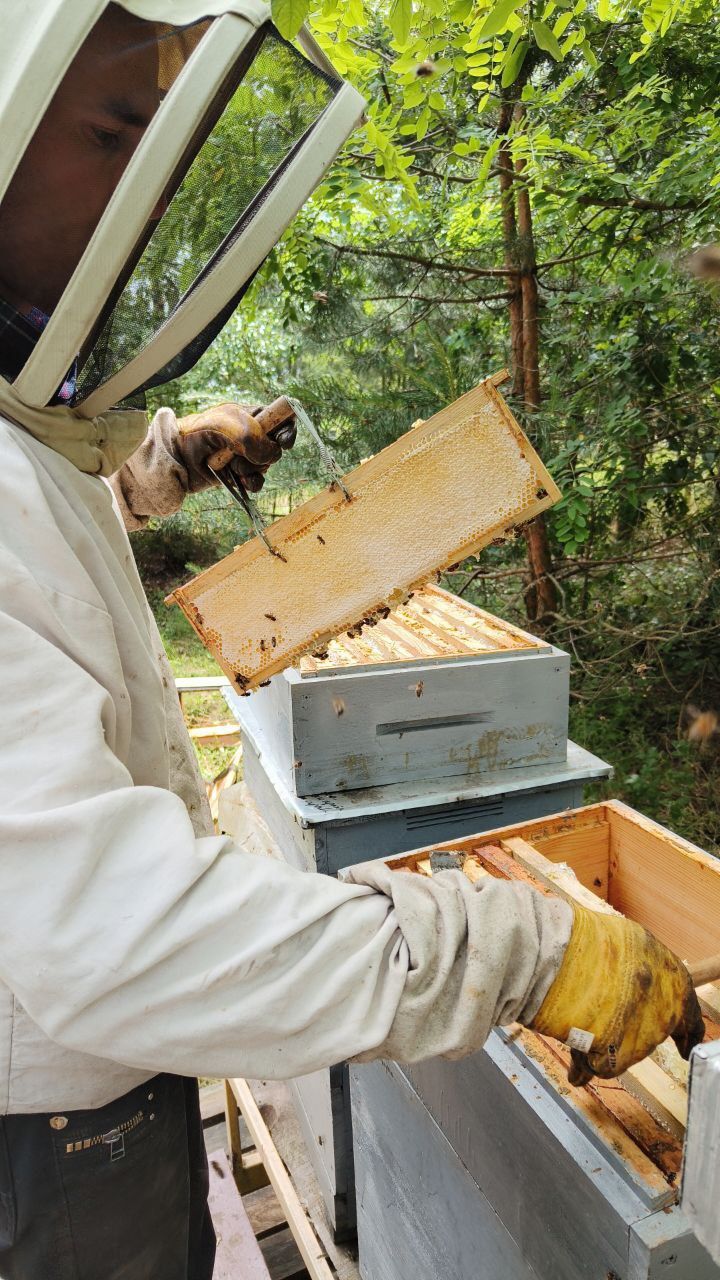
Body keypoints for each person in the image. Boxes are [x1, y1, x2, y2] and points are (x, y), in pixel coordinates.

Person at [0, 5, 703, 1278]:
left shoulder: (20, 441)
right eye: (114, 135)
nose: (141, 206)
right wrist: (507, 943)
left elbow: (38, 542)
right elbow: (114, 939)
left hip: (90, 1096)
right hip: (44, 1144)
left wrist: (153, 466)